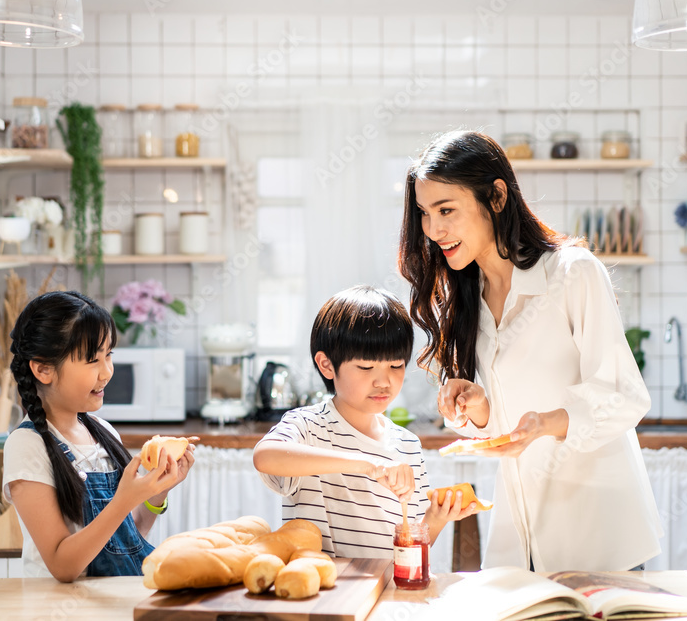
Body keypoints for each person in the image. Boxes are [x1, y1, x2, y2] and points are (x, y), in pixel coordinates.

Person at [398, 130, 662, 572]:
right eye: (425, 213)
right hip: (521, 535)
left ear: (497, 197)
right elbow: (504, 432)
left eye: (446, 210)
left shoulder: (573, 273)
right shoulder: (468, 299)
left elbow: (624, 394)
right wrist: (479, 408)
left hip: (598, 531)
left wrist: (548, 423)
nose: (433, 229)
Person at [253, 285, 480, 559]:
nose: (383, 381)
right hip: (323, 594)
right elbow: (265, 456)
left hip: (386, 593)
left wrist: (437, 517)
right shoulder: (307, 426)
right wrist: (368, 465)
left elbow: (410, 545)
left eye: (395, 366)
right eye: (365, 367)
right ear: (327, 365)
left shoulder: (408, 445)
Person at [3, 291, 195, 581]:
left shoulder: (103, 431)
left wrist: (156, 493)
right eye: (93, 360)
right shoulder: (27, 445)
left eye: (109, 355)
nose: (106, 372)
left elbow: (123, 540)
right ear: (43, 369)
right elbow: (62, 565)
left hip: (111, 600)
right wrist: (123, 500)